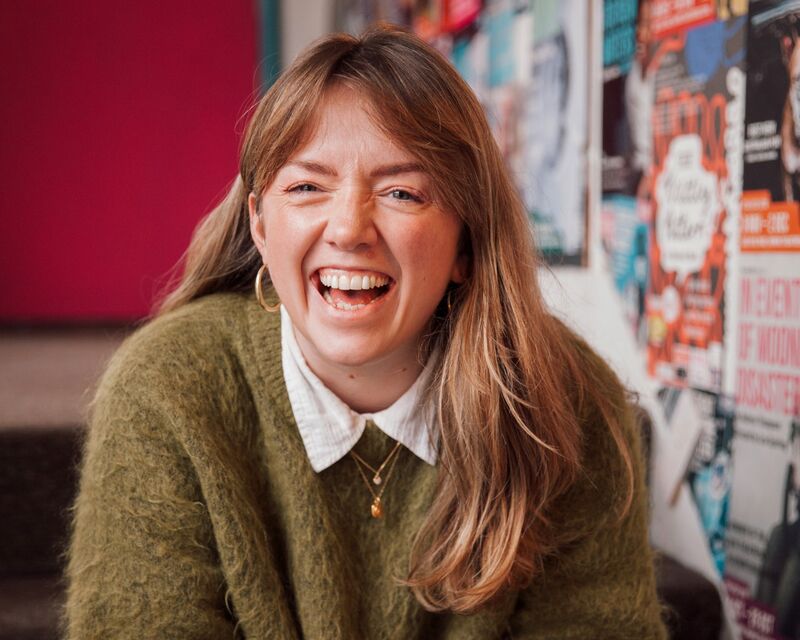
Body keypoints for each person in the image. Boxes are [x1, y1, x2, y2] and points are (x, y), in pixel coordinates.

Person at [63, 25, 667, 639]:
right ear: (261, 227)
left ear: (466, 243)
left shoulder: (567, 399)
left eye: (402, 192)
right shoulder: (166, 389)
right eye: (307, 187)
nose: (349, 229)